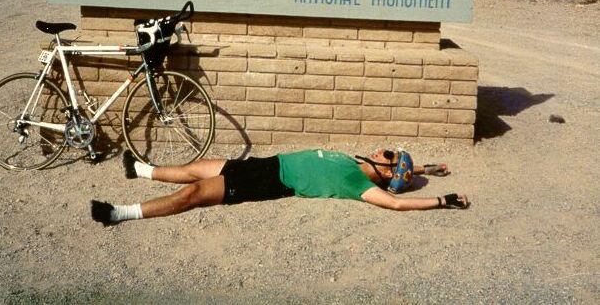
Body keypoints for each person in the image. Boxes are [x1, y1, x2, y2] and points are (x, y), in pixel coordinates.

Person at [91, 148, 469, 226]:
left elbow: (397, 204)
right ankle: (140, 170)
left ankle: (119, 213)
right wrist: (429, 168)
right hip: (265, 163)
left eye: (387, 155)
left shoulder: (358, 182)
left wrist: (442, 199)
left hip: (270, 181)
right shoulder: (356, 162)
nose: (380, 149)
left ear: (386, 172)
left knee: (193, 195)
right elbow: (401, 172)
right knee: (194, 169)